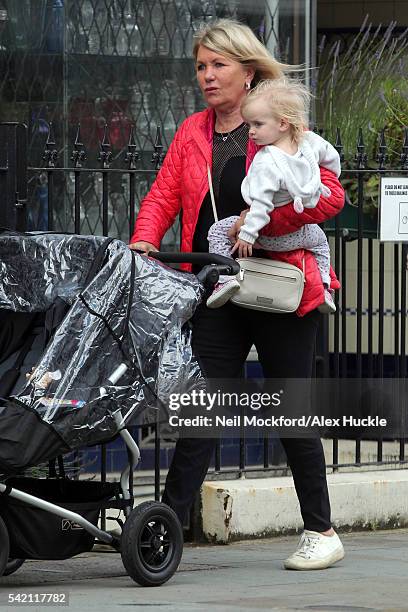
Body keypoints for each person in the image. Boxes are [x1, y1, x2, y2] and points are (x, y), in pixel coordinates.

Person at [130, 18, 345, 571]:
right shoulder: (192, 132)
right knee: (202, 406)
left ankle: (321, 530)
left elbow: (331, 197)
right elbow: (161, 196)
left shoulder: (279, 127)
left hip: (280, 288)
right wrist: (143, 240)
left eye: (218, 65)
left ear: (248, 72)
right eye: (201, 66)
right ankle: (166, 532)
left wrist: (267, 221)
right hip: (220, 286)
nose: (207, 76)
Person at [206, 77, 340, 313]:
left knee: (217, 231)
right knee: (320, 242)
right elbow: (331, 158)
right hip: (299, 235)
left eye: (257, 124)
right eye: (249, 125)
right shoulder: (309, 143)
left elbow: (261, 204)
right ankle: (326, 286)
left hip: (265, 237)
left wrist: (248, 234)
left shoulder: (266, 160)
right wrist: (328, 176)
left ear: (282, 123)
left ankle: (224, 280)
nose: (251, 132)